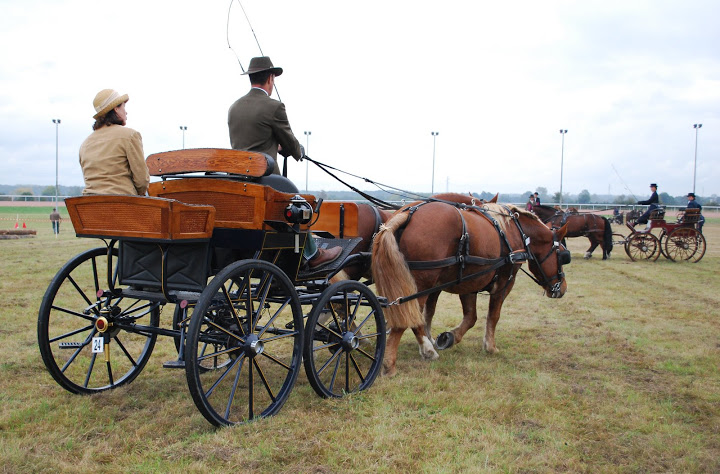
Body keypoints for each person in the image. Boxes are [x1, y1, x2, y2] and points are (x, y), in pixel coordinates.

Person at [227, 56, 340, 269]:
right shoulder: (274, 107)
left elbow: (252, 143)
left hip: (238, 183)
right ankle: (311, 254)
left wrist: (274, 146)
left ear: (251, 78)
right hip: (264, 181)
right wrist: (298, 151)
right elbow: (290, 142)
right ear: (270, 78)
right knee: (299, 203)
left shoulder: (234, 108)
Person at [79, 89, 149, 196]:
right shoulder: (130, 135)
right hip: (122, 205)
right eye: (123, 107)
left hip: (90, 207)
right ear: (116, 109)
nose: (126, 112)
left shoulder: (85, 144)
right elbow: (142, 181)